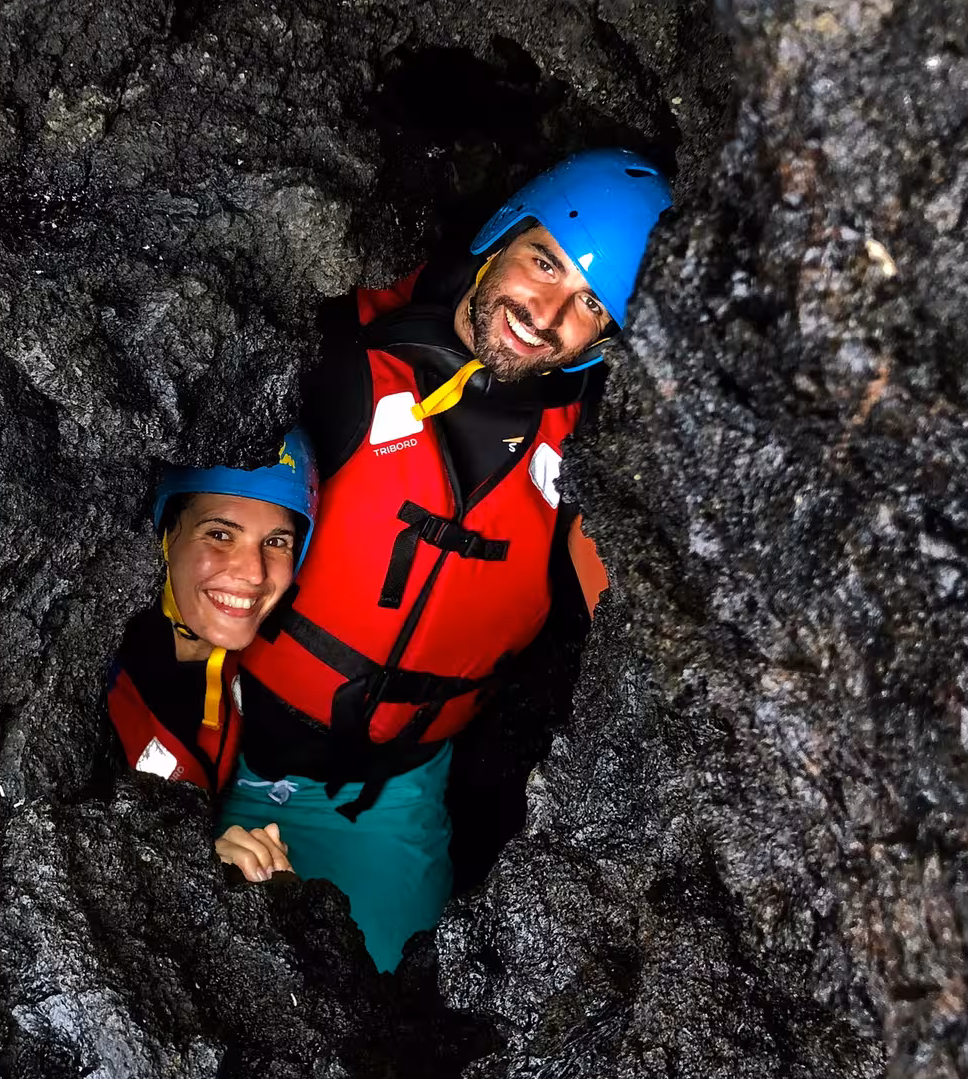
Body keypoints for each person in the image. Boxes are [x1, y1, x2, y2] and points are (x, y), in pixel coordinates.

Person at [224, 148, 672, 970]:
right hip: (231, 751)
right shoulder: (343, 360)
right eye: (543, 262)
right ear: (500, 236)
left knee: (385, 1028)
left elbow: (645, 632)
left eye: (587, 304)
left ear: (608, 338)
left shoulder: (592, 462)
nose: (544, 312)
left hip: (395, 797)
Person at [106, 430, 319, 882]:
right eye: (220, 534)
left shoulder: (234, 660)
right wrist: (193, 866)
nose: (253, 573)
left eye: (276, 542)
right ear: (166, 539)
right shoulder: (98, 685)